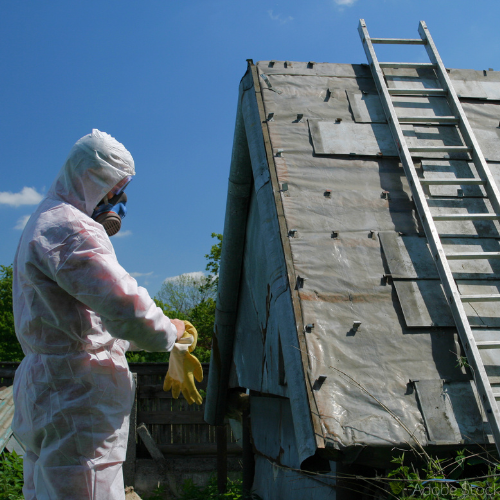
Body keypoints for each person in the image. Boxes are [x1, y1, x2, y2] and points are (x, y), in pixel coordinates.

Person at [11, 129, 185, 500]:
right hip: (77, 397)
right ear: (95, 179)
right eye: (115, 189)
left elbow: (83, 323)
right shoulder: (72, 228)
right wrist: (169, 331)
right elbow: (128, 308)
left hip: (49, 389)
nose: (118, 201)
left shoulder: (42, 221)